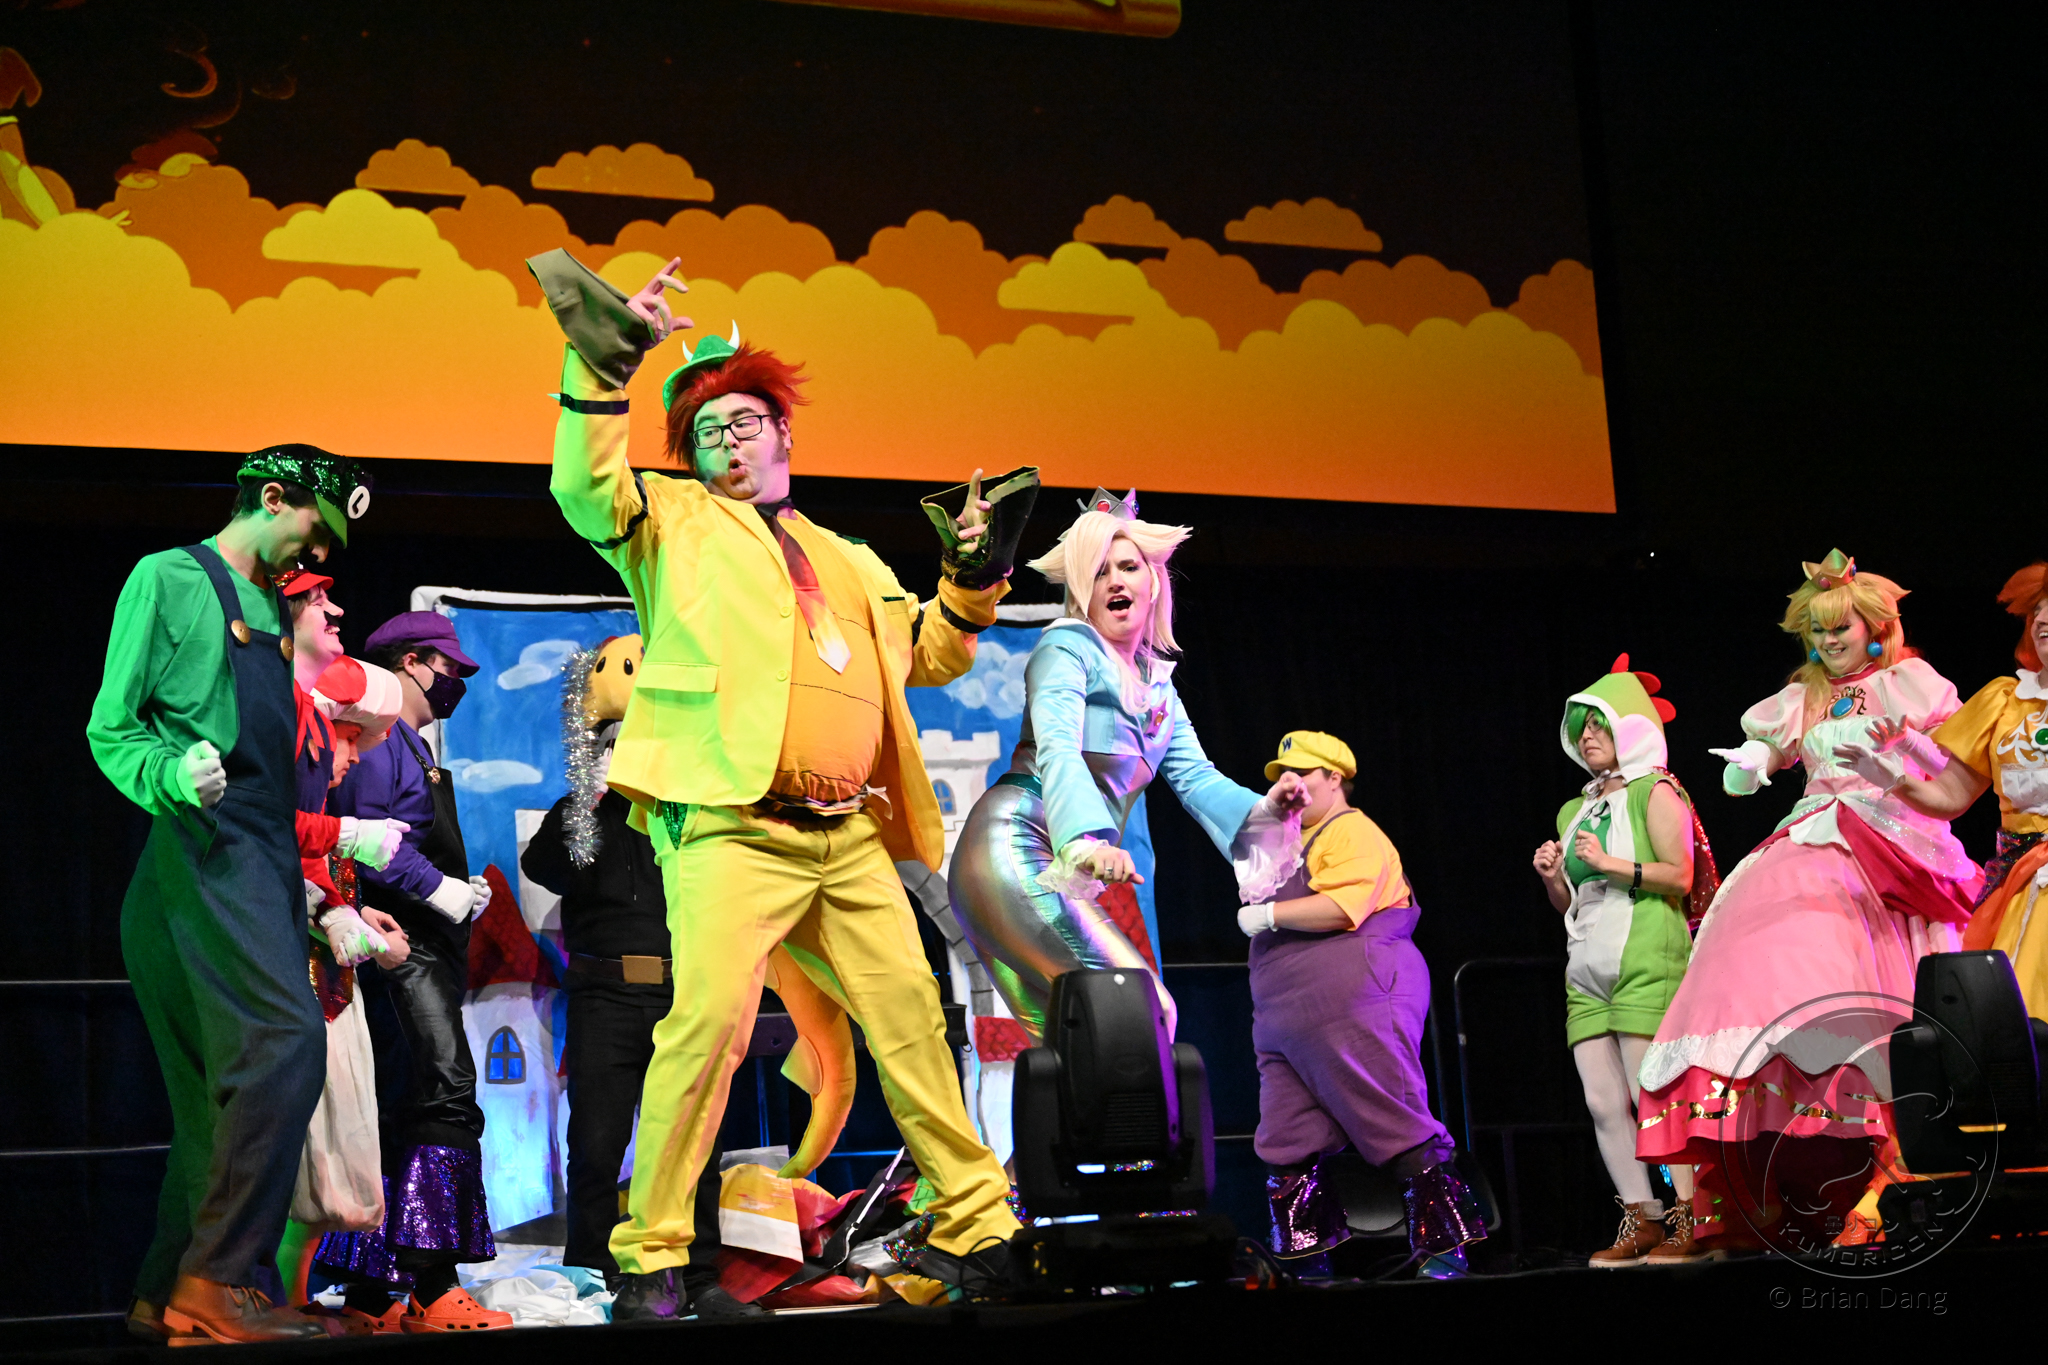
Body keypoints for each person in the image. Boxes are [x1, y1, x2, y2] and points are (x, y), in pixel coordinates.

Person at [526, 247, 1035, 1306]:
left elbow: (928, 651)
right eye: (708, 428)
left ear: (785, 435)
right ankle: (653, 1251)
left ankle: (978, 1222)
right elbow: (582, 489)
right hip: (727, 824)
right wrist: (602, 367)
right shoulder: (668, 521)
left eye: (745, 421)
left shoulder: (849, 557)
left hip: (846, 835)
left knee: (911, 1019)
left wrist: (973, 577)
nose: (726, 438)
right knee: (706, 1028)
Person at [89, 444, 374, 1344]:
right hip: (201, 846)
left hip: (258, 852)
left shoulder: (272, 608)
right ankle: (216, 1278)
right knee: (285, 1044)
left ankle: (163, 1290)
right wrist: (172, 773)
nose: (318, 555)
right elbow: (111, 728)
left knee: (218, 1098)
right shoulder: (167, 578)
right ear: (273, 496)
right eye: (315, 530)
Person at [1635, 551, 1978, 1251]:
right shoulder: (1803, 696)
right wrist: (1753, 764)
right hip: (1814, 830)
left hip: (1895, 834)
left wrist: (1906, 753)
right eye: (1817, 631)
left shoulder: (1910, 683)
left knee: (1867, 975)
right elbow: (1761, 766)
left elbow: (1954, 771)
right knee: (1760, 957)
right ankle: (1778, 1168)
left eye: (1840, 627)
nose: (1828, 641)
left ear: (1874, 626)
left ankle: (1887, 1177)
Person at [522, 634, 855, 1321]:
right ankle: (592, 1274)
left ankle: (699, 1275)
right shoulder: (583, 816)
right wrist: (590, 795)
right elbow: (542, 867)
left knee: (696, 1141)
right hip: (606, 998)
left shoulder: (686, 815)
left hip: (685, 994)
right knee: (596, 1144)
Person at [949, 491, 1306, 1042]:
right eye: (1098, 573)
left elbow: (1196, 779)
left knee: (1076, 1045)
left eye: (1128, 567)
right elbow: (1059, 748)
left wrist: (1266, 810)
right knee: (1142, 1009)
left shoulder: (1156, 685)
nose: (1115, 581)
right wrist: (1085, 843)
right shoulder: (1066, 648)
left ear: (1153, 581)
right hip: (1012, 845)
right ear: (1080, 591)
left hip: (1052, 856)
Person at [315, 611, 508, 1332]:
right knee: (440, 1093)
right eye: (451, 668)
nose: (458, 681)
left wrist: (457, 889)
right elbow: (370, 845)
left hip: (421, 944)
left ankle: (374, 1291)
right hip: (400, 946)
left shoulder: (411, 745)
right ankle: (433, 1283)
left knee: (405, 1102)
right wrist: (440, 889)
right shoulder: (380, 739)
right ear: (414, 661)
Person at [1242, 730, 1487, 1279]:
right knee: (1286, 1135)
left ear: (1335, 778)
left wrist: (1270, 916)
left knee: (1389, 1114)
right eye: (1283, 775)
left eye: (1302, 773)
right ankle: (1307, 1262)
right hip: (1285, 1012)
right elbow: (1246, 863)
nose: (1291, 783)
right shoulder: (1286, 841)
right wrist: (1265, 819)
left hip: (1355, 996)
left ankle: (1445, 1249)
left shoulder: (1351, 830)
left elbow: (1343, 905)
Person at [1531, 657, 1713, 1265]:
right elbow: (1571, 902)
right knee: (1602, 1101)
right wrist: (1554, 878)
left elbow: (1680, 875)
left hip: (1646, 951)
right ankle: (1643, 1217)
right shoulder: (1573, 810)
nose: (1587, 737)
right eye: (1580, 728)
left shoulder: (1656, 790)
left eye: (1599, 725)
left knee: (1652, 1091)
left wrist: (1608, 863)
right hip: (1585, 962)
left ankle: (1691, 1216)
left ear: (1630, 727)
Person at [272, 571, 411, 1316]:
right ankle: (277, 1297)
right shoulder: (294, 738)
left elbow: (322, 873)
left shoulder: (323, 805)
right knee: (302, 1148)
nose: (354, 759)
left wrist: (355, 914)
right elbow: (281, 855)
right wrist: (331, 913)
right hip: (295, 982)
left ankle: (293, 1298)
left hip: (330, 984)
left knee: (327, 1155)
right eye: (352, 741)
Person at [1865, 562, 2048, 1020]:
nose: (2043, 620)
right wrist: (1892, 778)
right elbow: (1949, 797)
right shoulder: (2005, 701)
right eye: (2038, 611)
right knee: (2019, 1022)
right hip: (2025, 881)